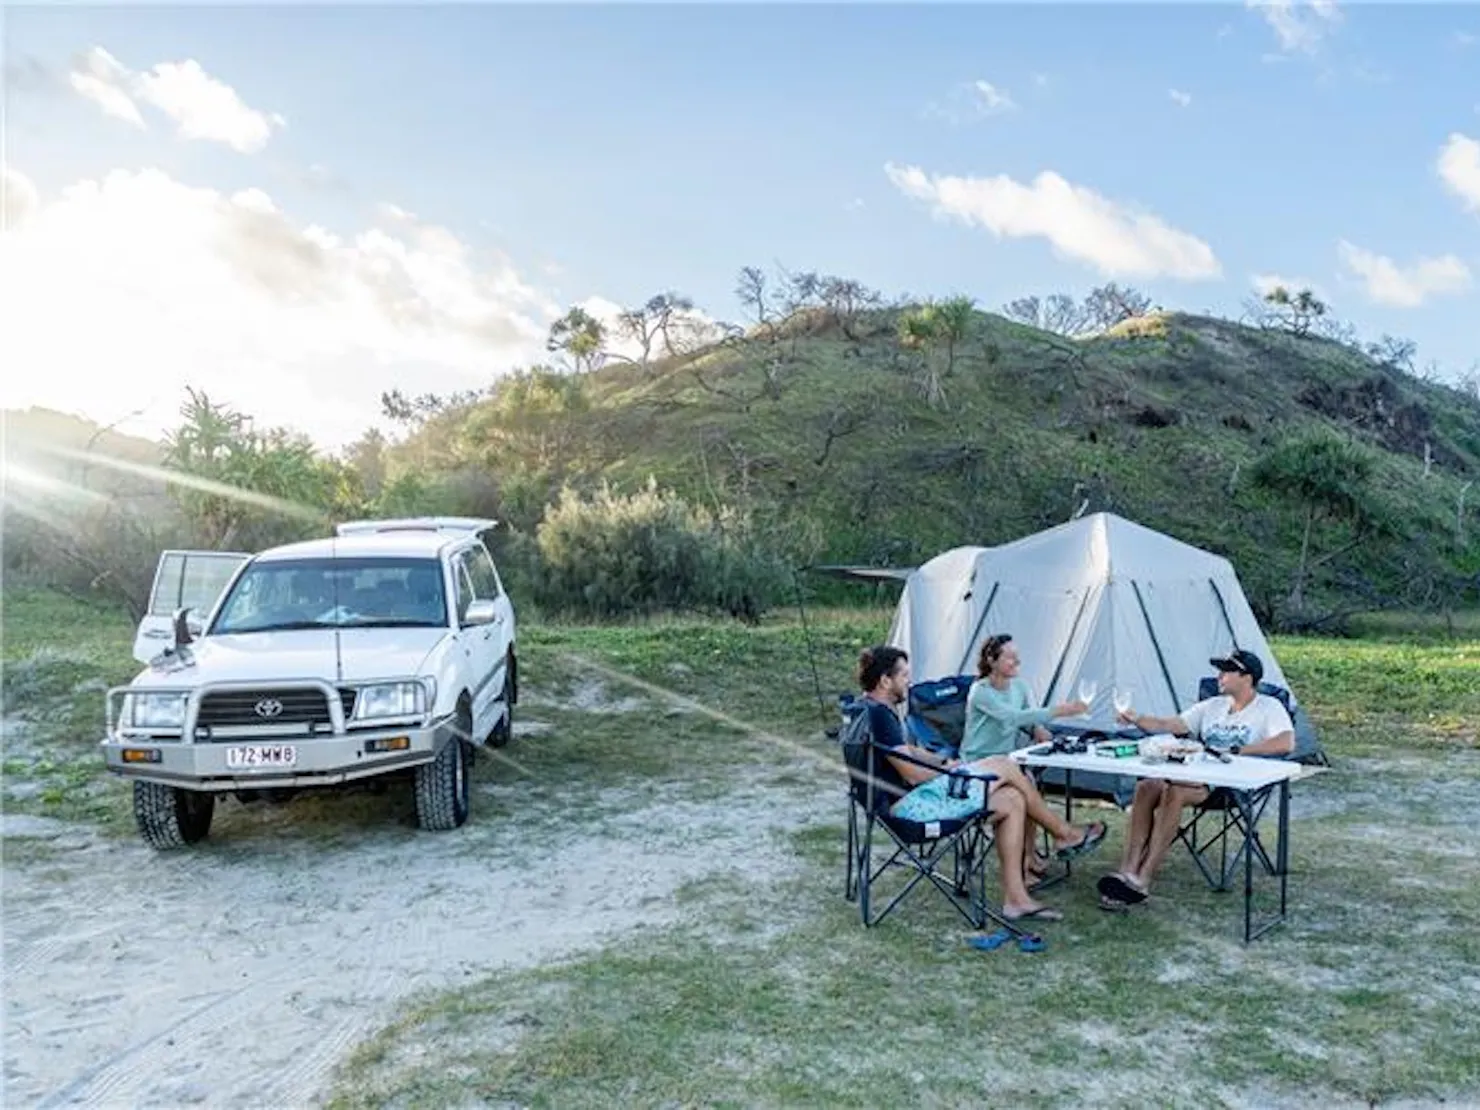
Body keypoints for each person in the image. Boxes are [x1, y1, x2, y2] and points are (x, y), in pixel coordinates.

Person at [852, 645, 1104, 923]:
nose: (908, 683)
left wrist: (944, 762)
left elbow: (907, 752)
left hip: (902, 803)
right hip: (909, 811)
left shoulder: (867, 708)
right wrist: (955, 777)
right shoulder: (880, 715)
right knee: (1004, 765)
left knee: (1012, 799)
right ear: (885, 680)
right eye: (903, 676)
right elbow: (912, 773)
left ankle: (1016, 900)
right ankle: (1064, 834)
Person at [1099, 648, 1295, 909]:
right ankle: (1127, 869)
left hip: (1229, 785)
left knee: (1174, 792)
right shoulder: (1212, 705)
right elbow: (1170, 725)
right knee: (1147, 785)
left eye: (1227, 671)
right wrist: (1136, 718)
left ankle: (1144, 877)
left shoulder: (1269, 707)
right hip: (1193, 774)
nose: (1220, 676)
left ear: (1247, 677)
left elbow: (1286, 742)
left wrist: (1237, 751)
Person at [961, 632, 1100, 885]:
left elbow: (1027, 720)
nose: (1017, 662)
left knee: (1029, 785)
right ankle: (1057, 838)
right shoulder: (980, 692)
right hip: (978, 766)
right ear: (992, 660)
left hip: (1009, 761)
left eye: (1018, 657)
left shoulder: (1020, 687)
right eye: (1010, 657)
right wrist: (1062, 710)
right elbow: (1011, 717)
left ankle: (1029, 857)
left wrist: (1039, 731)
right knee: (1025, 789)